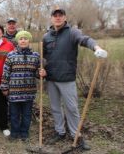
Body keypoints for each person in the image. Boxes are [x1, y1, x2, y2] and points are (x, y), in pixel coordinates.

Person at [43, 8, 108, 150]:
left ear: (65, 17)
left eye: (61, 15)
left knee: (71, 108)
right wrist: (40, 68)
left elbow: (85, 40)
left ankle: (75, 135)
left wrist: (96, 48)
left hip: (67, 78)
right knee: (55, 108)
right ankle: (60, 132)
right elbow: (43, 57)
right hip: (51, 78)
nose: (58, 18)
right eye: (55, 16)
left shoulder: (72, 32)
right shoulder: (46, 36)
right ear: (51, 18)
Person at [0, 31, 46, 141]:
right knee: (14, 114)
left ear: (29, 41)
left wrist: (42, 74)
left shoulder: (36, 56)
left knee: (27, 114)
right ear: (17, 41)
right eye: (21, 39)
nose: (23, 40)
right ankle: (15, 133)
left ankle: (24, 132)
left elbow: (37, 73)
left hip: (29, 91)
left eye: (26, 38)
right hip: (14, 91)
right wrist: (4, 87)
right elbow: (5, 72)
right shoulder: (11, 55)